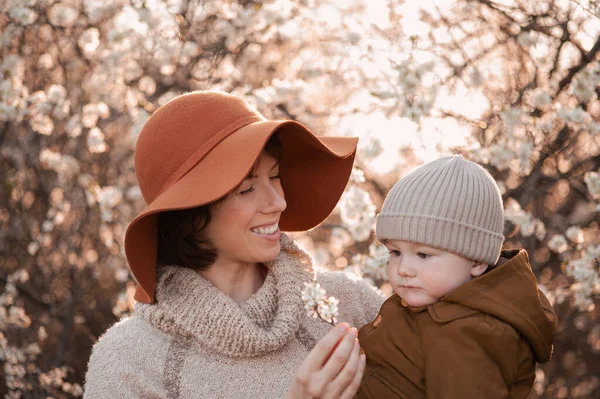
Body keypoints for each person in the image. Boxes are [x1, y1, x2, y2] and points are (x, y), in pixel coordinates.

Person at [83, 91, 384, 398]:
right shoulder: (127, 363)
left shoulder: (347, 304)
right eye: (246, 190)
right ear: (190, 214)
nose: (278, 201)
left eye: (275, 176)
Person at [356, 155, 556, 399]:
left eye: (423, 255)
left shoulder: (469, 335)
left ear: (477, 261)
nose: (403, 268)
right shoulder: (430, 305)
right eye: (395, 252)